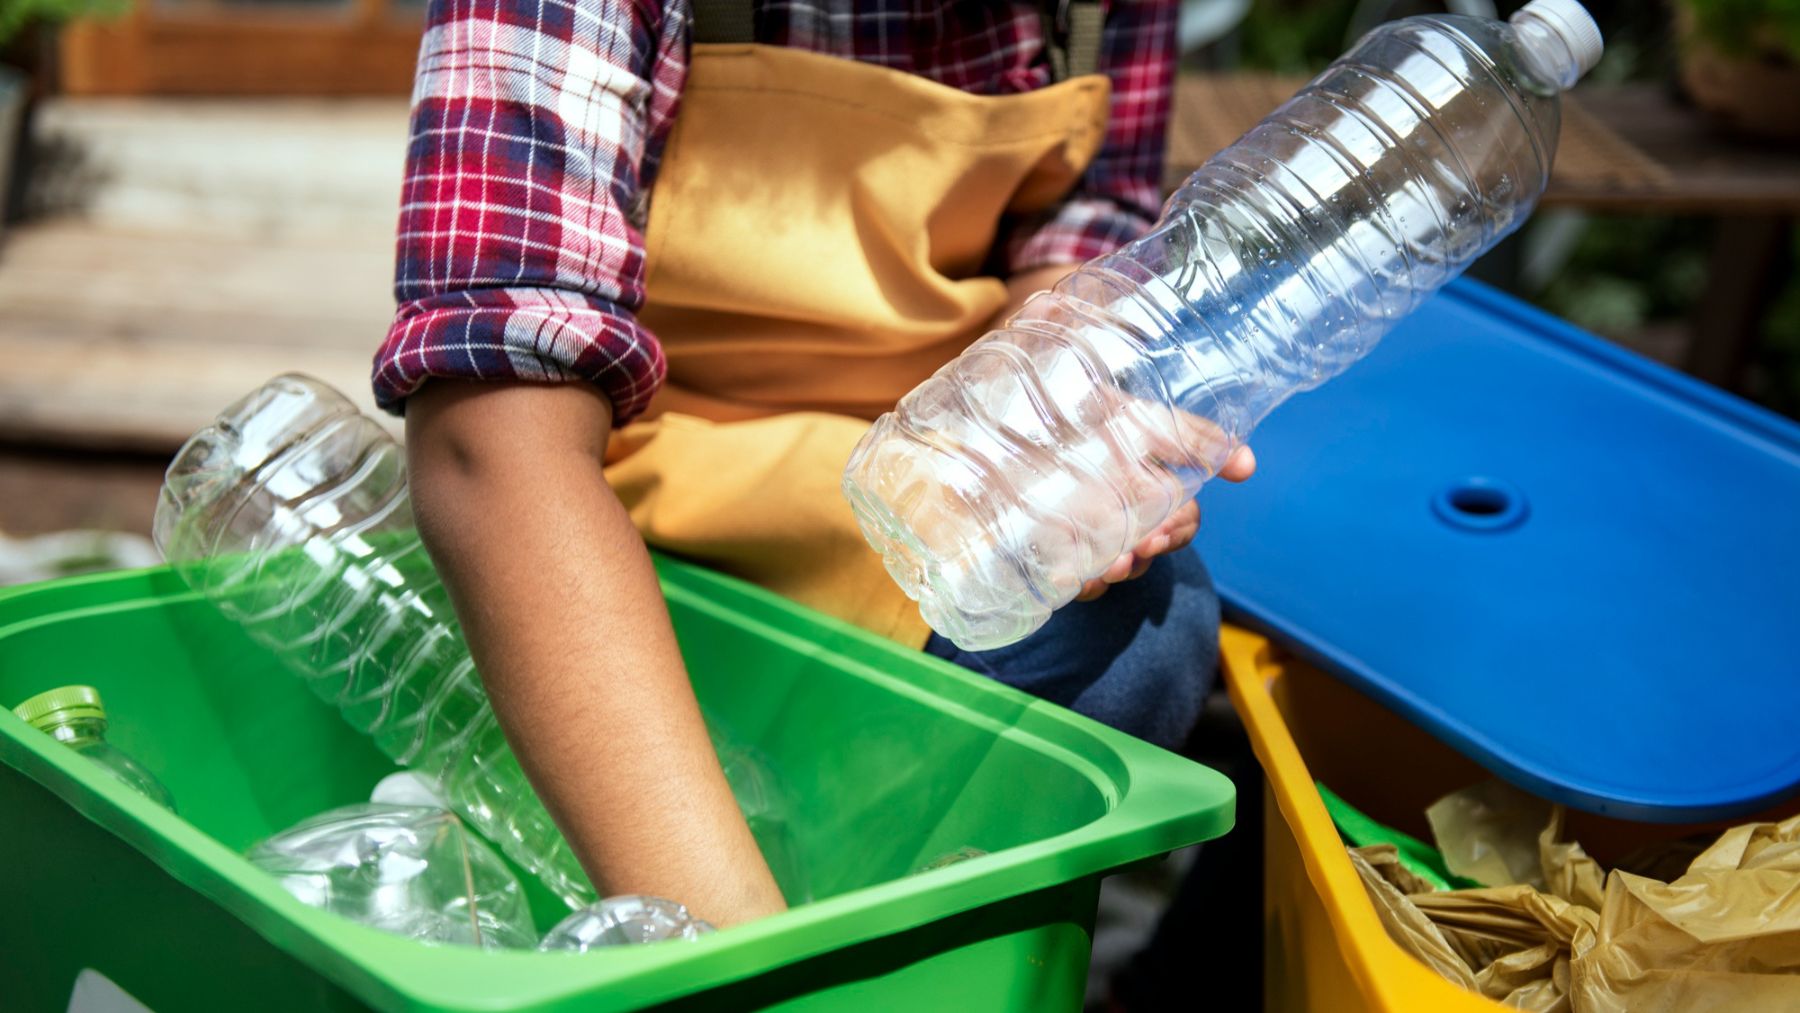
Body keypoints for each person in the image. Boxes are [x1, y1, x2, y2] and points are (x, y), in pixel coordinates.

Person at [375, 0, 1253, 928]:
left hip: (913, 468)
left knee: (1142, 629)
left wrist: (1049, 415)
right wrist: (737, 953)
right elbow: (491, 441)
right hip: (629, 484)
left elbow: (1078, 227)